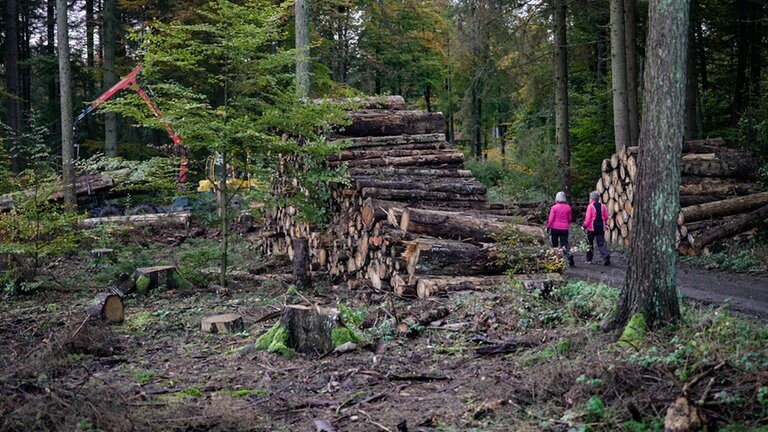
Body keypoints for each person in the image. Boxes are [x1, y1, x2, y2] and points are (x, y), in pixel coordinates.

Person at [547, 191, 574, 267]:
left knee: (555, 244)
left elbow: (551, 219)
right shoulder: (568, 207)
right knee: (564, 244)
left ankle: (556, 260)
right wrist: (567, 224)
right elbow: (569, 219)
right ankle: (569, 255)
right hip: (564, 228)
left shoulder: (554, 207)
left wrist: (548, 226)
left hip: (555, 228)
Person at [583, 191, 611, 266]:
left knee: (589, 244)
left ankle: (589, 260)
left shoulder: (590, 206)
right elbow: (606, 216)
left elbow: (588, 218)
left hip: (591, 228)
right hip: (601, 227)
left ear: (592, 198)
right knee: (601, 243)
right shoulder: (603, 206)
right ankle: (605, 256)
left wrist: (584, 225)